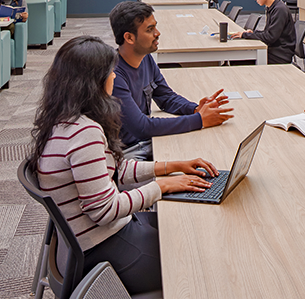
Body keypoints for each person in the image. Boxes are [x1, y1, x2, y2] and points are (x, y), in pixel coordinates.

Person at [27, 35, 218, 294]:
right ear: (92, 81)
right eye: (110, 72)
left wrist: (171, 166)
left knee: (187, 228)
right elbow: (103, 210)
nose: (115, 77)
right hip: (102, 251)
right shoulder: (84, 133)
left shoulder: (62, 120)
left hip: (90, 242)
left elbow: (113, 170)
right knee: (199, 255)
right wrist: (161, 187)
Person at [109, 1, 233, 160]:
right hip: (128, 154)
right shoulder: (114, 76)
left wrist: (195, 109)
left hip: (148, 142)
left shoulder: (145, 59)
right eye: (150, 29)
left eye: (155, 26)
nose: (157, 33)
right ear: (129, 38)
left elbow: (166, 97)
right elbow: (142, 127)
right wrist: (199, 120)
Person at [231, 0, 296, 65]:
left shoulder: (279, 10)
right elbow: (269, 33)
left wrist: (247, 35)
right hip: (273, 49)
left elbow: (270, 37)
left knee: (237, 59)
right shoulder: (272, 8)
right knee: (238, 56)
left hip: (279, 55)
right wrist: (252, 34)